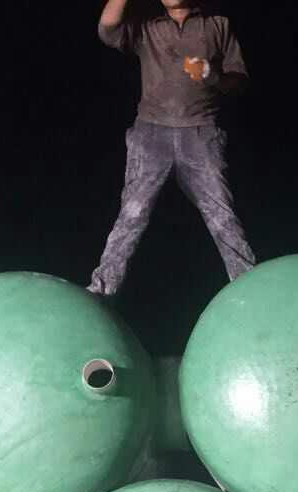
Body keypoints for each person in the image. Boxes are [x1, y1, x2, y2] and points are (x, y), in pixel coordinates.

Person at [89, 0, 255, 297]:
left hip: (201, 134)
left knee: (221, 214)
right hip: (151, 135)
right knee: (132, 214)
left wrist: (214, 76)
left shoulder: (217, 24)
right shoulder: (148, 27)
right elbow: (108, 28)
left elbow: (239, 82)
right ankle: (102, 289)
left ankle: (250, 285)